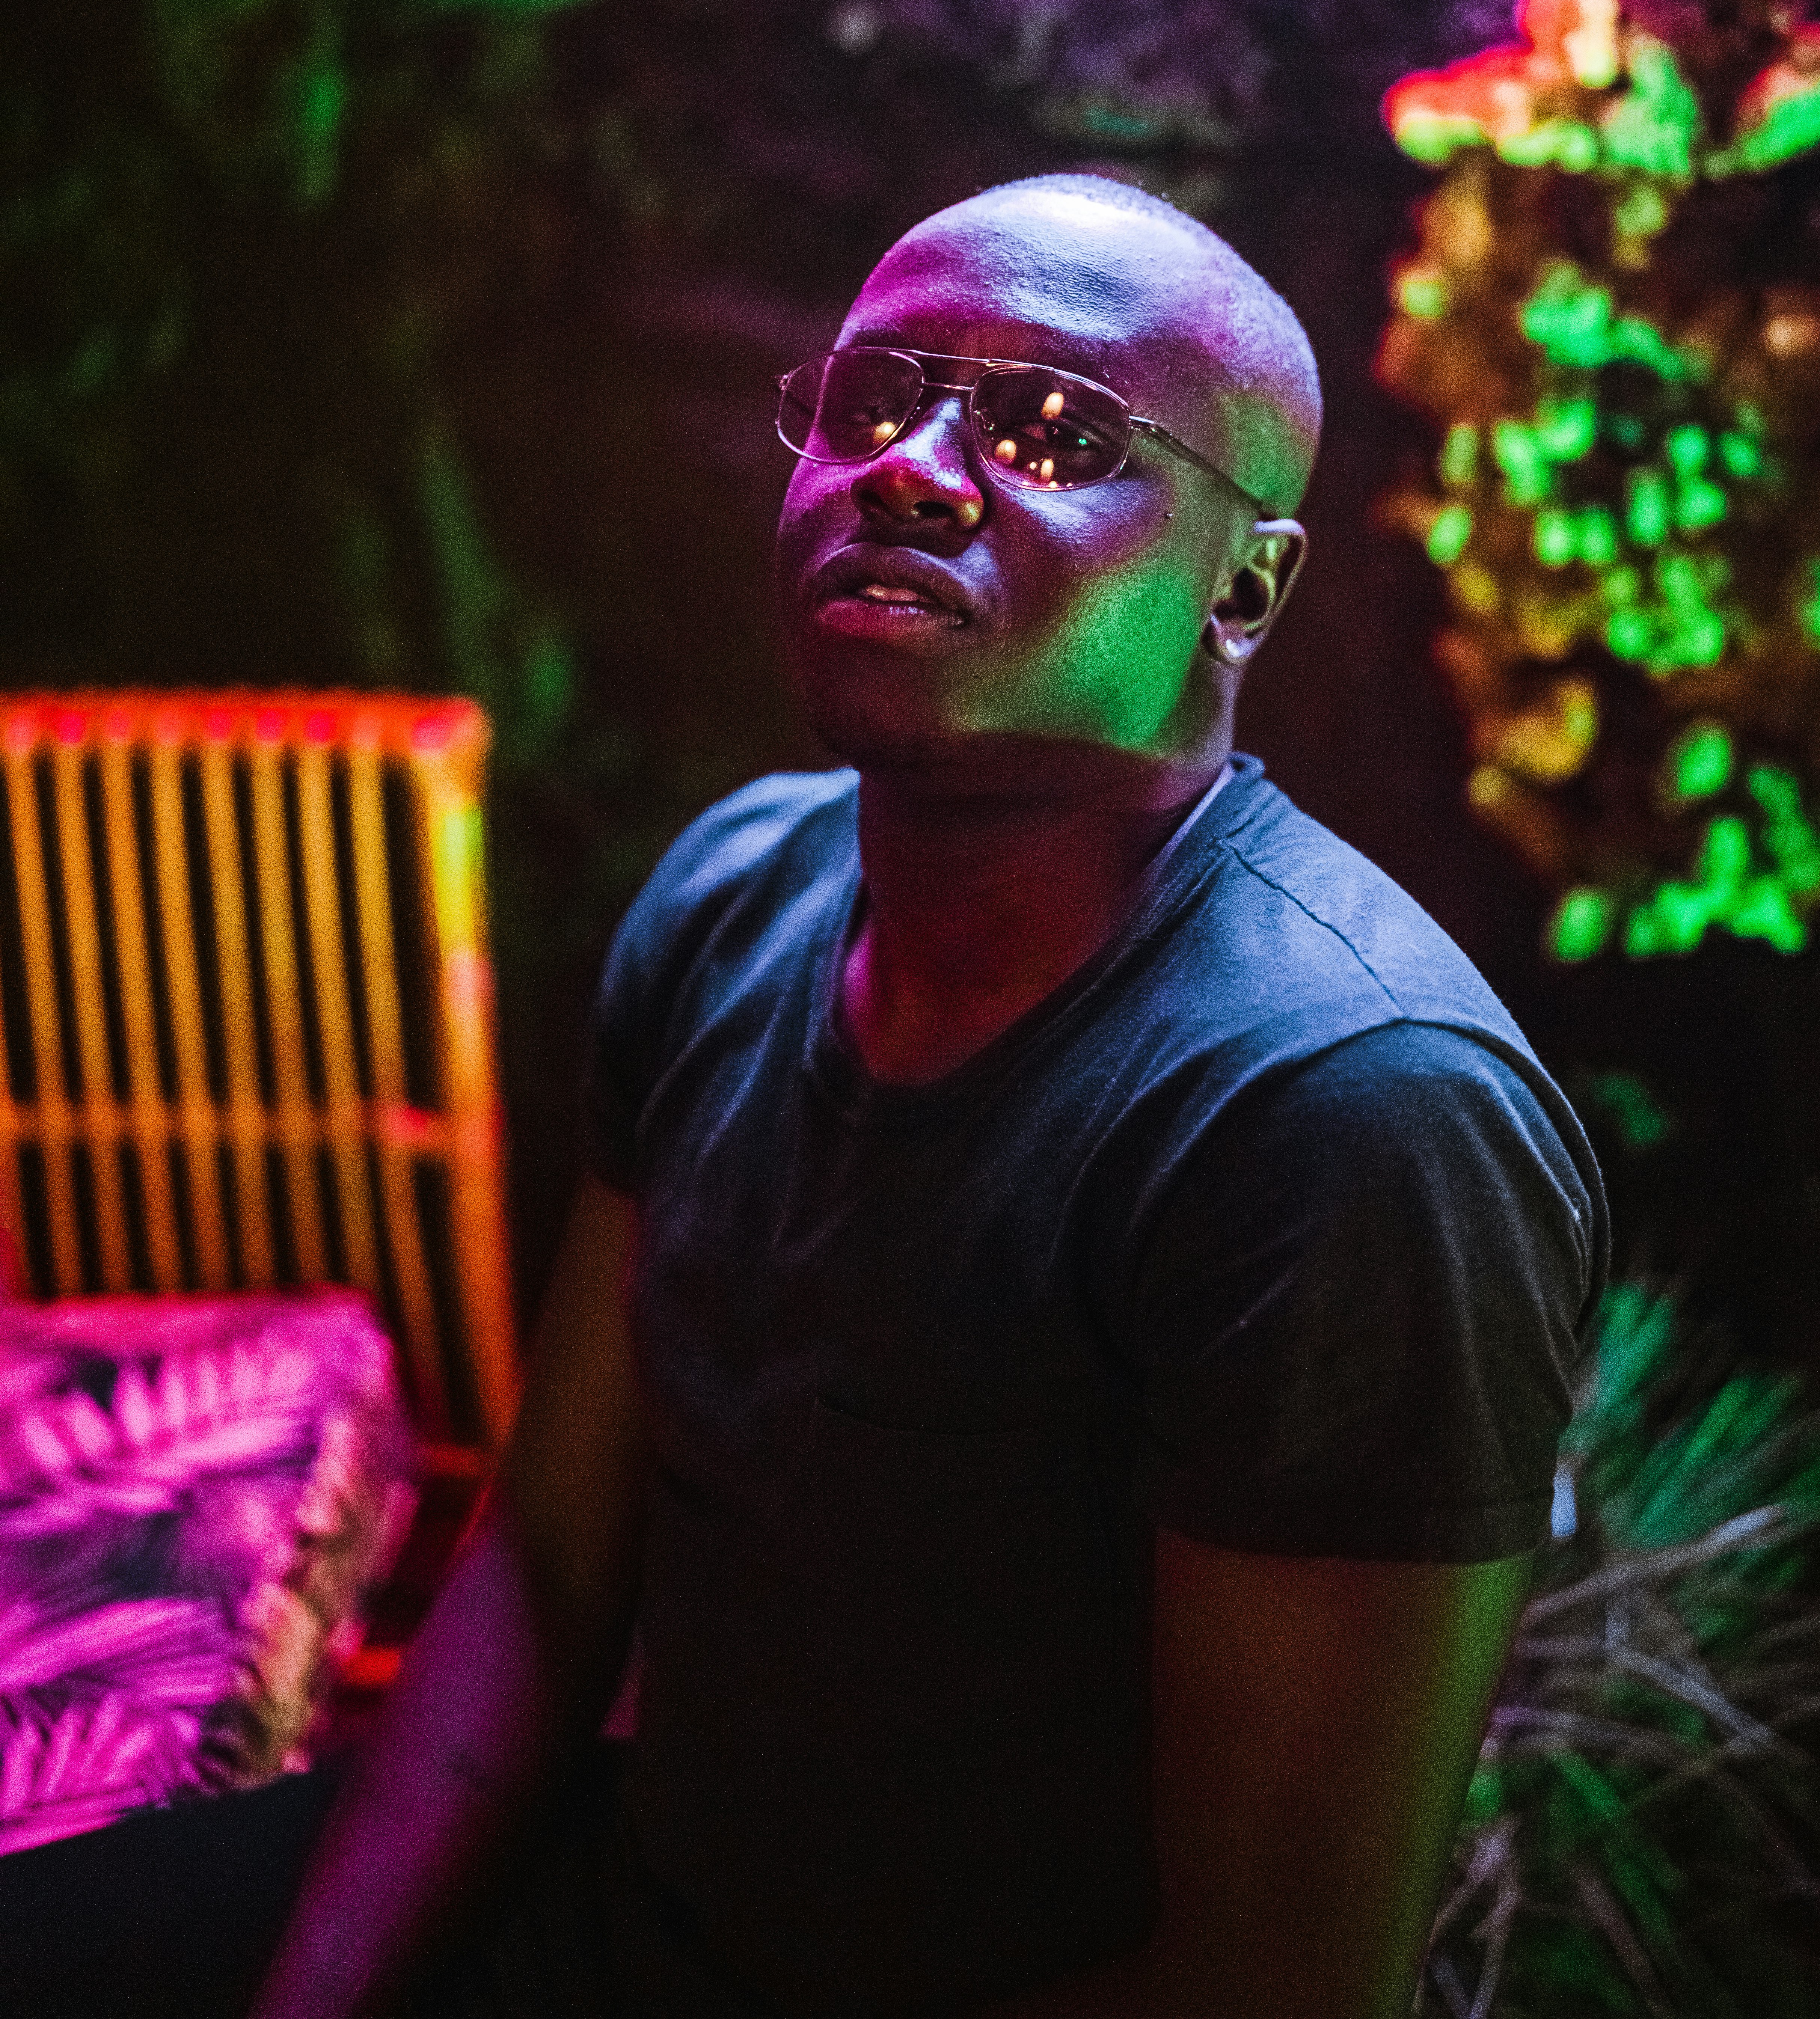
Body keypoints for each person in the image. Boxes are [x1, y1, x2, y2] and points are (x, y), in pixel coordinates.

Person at [241, 172, 1604, 2019]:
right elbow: (555, 1568)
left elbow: (1276, 1985)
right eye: (878, 398)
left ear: (1245, 583)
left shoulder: (1345, 1111)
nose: (913, 465)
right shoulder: (734, 891)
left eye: (1052, 429)